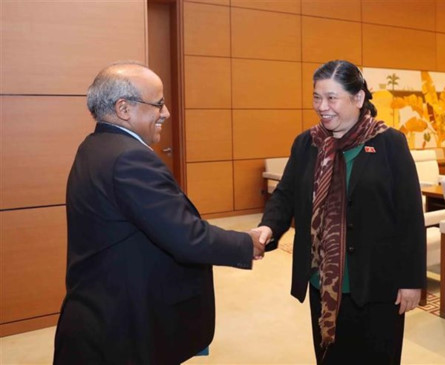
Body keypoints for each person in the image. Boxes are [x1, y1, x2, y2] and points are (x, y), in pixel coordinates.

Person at [53, 61, 264, 365]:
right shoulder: (129, 159)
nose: (166, 113)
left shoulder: (96, 146)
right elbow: (185, 236)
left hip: (100, 309)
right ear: (124, 108)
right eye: (159, 103)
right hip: (120, 325)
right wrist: (246, 243)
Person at [253, 60, 426, 365]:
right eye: (317, 97)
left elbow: (410, 217)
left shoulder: (390, 144)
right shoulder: (307, 144)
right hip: (325, 283)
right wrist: (268, 227)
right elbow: (286, 194)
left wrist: (412, 280)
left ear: (358, 99)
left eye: (332, 98)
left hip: (377, 284)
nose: (322, 106)